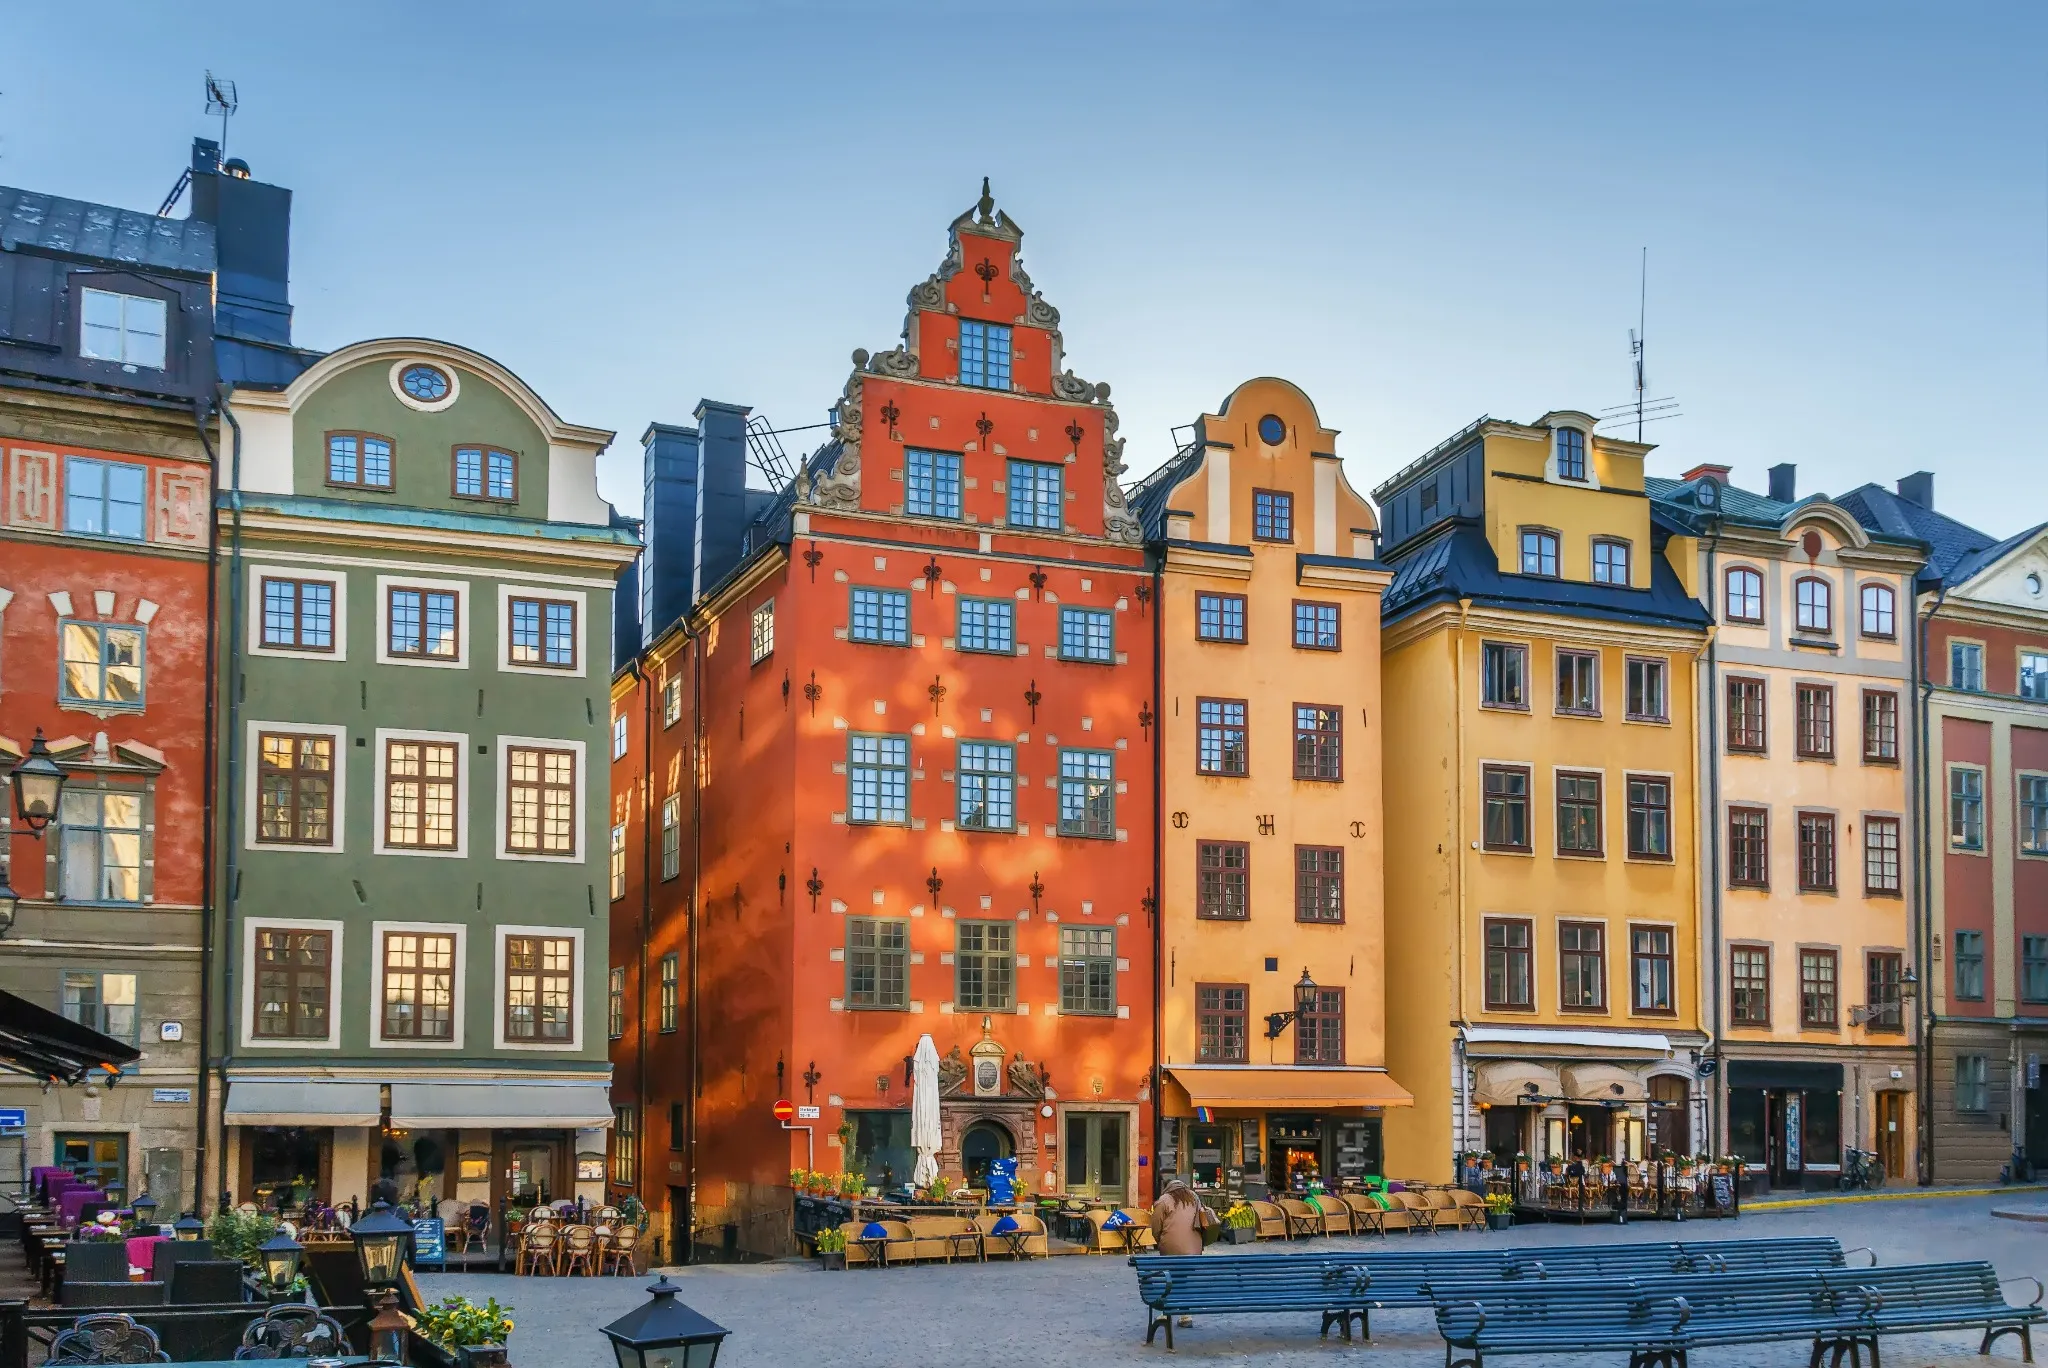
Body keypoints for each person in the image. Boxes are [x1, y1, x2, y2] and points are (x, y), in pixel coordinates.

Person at [1150, 1179, 1214, 1329]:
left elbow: (1156, 1226)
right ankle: (1185, 1314)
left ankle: (1167, 1312)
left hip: (1170, 1248)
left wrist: (1160, 1241)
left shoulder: (1164, 1200)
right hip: (1193, 1249)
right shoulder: (1194, 1197)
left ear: (1168, 1188)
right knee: (1182, 1278)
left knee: (1170, 1277)